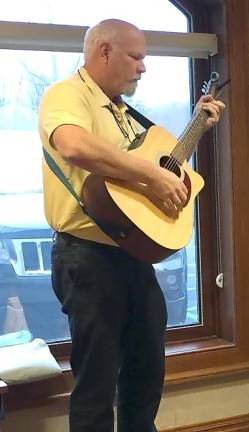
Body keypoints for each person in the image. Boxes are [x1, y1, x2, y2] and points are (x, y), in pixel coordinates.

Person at [38, 19, 225, 432]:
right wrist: (152, 175)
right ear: (104, 52)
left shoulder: (122, 112)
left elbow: (154, 174)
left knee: (145, 375)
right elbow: (72, 144)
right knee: (97, 384)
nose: (143, 67)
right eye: (136, 57)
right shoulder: (67, 95)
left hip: (131, 255)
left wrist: (196, 126)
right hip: (86, 258)